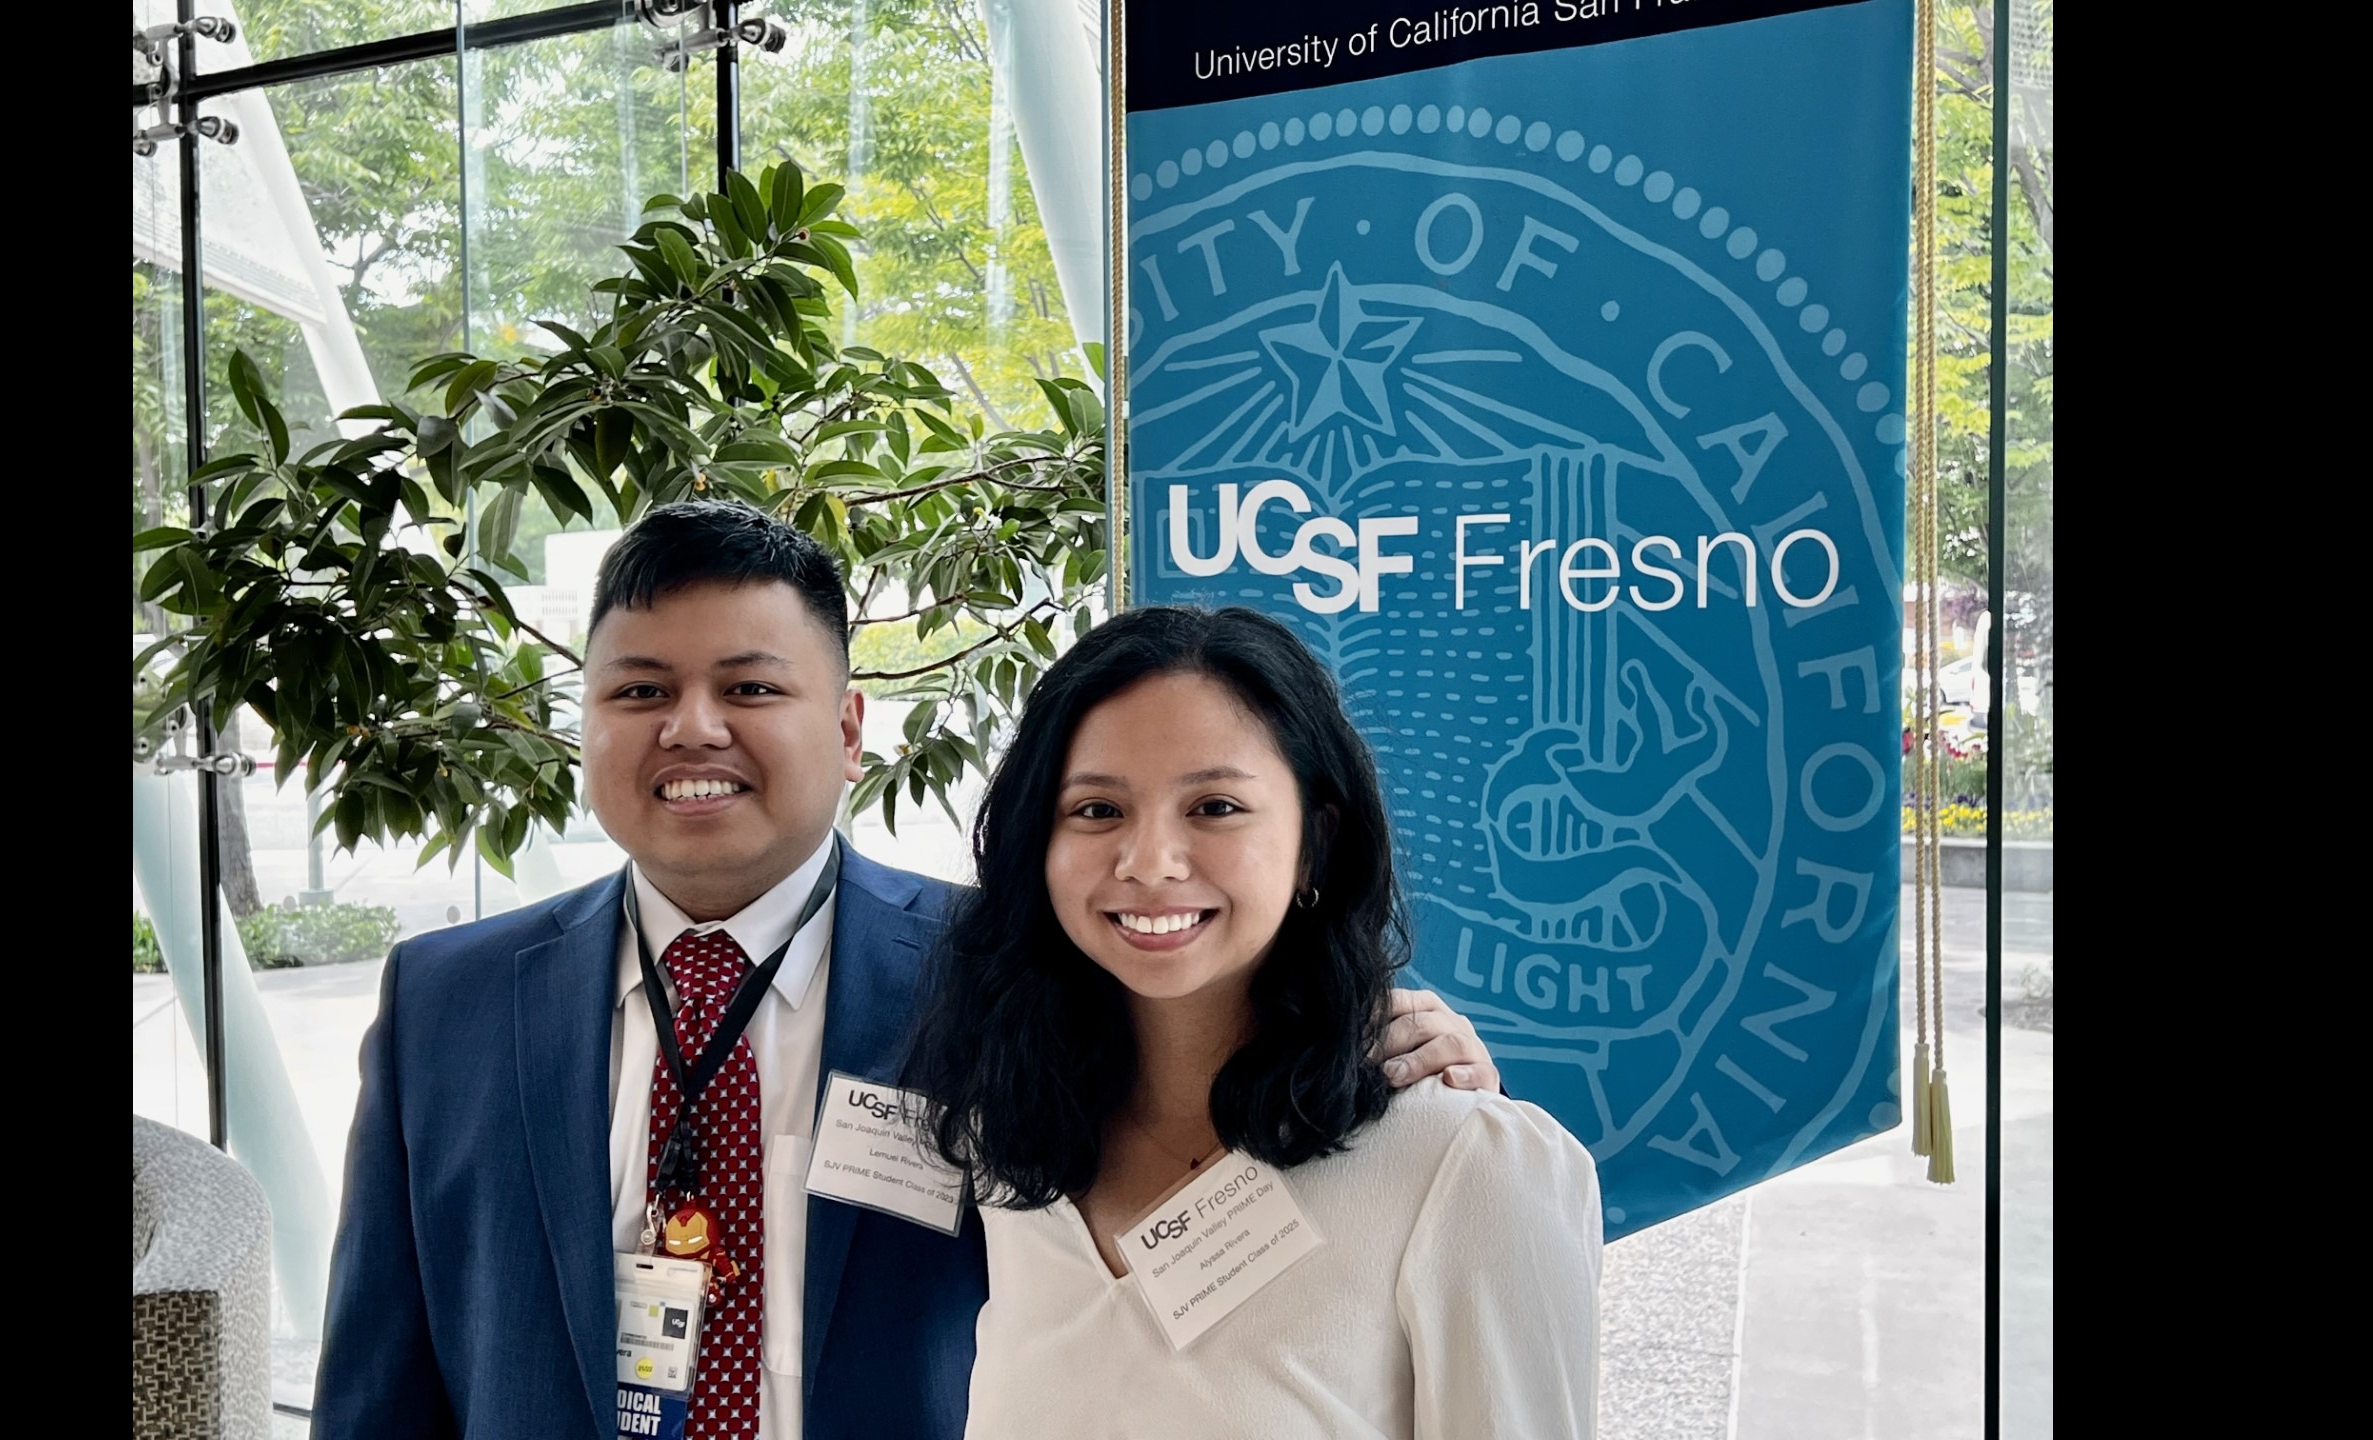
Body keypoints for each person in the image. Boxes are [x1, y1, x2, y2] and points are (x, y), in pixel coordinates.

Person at [311, 503, 1505, 1440]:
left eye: (750, 687)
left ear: (847, 731)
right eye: (639, 691)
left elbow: (1207, 1109)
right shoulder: (445, 1005)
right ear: (584, 723)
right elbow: (378, 1390)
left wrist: (1386, 1044)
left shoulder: (1015, 970)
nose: (692, 728)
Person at [904, 605, 1604, 1439]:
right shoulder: (1013, 1142)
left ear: (1316, 841)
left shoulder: (1465, 1166)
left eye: (1214, 806)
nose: (1149, 862)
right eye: (1097, 810)